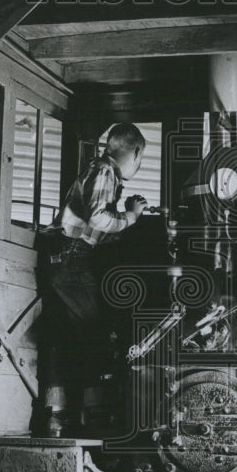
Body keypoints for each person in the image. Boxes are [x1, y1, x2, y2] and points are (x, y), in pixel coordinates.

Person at [40, 121, 148, 437]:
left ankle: (57, 418)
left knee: (64, 341)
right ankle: (96, 420)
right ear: (136, 151)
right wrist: (132, 217)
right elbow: (97, 217)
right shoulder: (104, 172)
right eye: (140, 158)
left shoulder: (96, 170)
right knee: (94, 335)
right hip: (74, 259)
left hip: (62, 258)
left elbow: (93, 225)